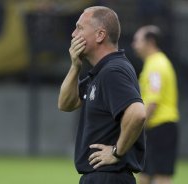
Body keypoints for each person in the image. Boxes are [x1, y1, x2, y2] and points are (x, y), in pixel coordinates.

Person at [58, 6, 146, 184]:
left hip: (108, 177)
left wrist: (116, 152)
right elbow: (66, 103)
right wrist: (75, 66)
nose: (74, 34)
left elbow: (138, 113)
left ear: (100, 35)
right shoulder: (101, 71)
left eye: (80, 28)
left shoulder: (113, 71)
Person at [132, 25, 179, 184]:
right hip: (155, 128)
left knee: (161, 177)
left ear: (150, 42)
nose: (134, 45)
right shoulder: (154, 63)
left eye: (137, 40)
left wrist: (136, 128)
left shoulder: (156, 66)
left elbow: (153, 102)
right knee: (145, 175)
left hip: (161, 127)